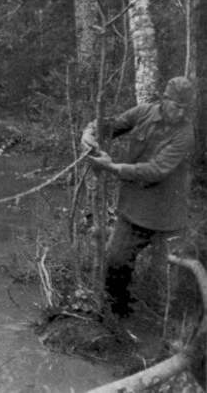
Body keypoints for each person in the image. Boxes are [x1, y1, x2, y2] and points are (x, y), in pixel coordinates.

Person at [81, 76, 196, 317]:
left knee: (170, 282)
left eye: (185, 108)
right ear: (165, 100)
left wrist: (113, 167)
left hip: (168, 218)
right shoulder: (143, 112)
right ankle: (117, 316)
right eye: (176, 106)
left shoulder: (185, 134)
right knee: (115, 262)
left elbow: (156, 170)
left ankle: (171, 332)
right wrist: (90, 132)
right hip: (134, 210)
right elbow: (112, 125)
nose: (180, 113)